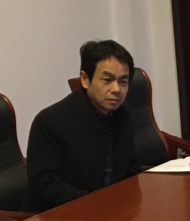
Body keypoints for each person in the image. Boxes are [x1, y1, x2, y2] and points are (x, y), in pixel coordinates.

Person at [26, 40, 143, 211]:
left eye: (123, 81)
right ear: (85, 79)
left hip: (112, 211)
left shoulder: (124, 116)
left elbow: (131, 171)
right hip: (62, 215)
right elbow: (45, 187)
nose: (116, 89)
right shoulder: (51, 121)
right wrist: (98, 204)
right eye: (107, 80)